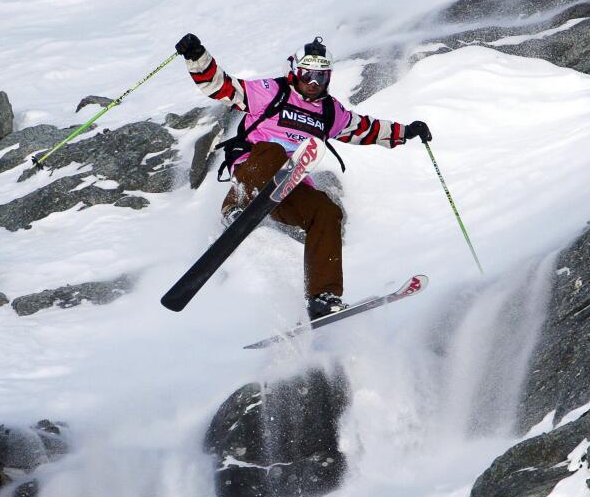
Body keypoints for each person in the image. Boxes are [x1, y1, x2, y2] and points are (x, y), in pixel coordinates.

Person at [175, 33, 432, 320]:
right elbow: (222, 87)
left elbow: (363, 129)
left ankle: (323, 298)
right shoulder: (270, 92)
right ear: (294, 72)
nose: (313, 83)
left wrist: (406, 132)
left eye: (320, 78)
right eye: (307, 75)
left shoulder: (329, 111)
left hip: (288, 185)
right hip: (255, 166)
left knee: (326, 211)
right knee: (274, 152)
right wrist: (196, 57)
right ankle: (238, 205)